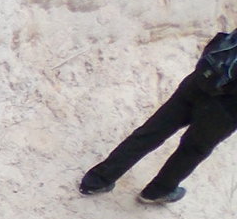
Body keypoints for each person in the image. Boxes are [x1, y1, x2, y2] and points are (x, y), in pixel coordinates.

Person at [80, 30, 237, 205]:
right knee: (193, 149)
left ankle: (97, 180)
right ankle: (158, 191)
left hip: (201, 81)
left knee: (152, 131)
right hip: (226, 109)